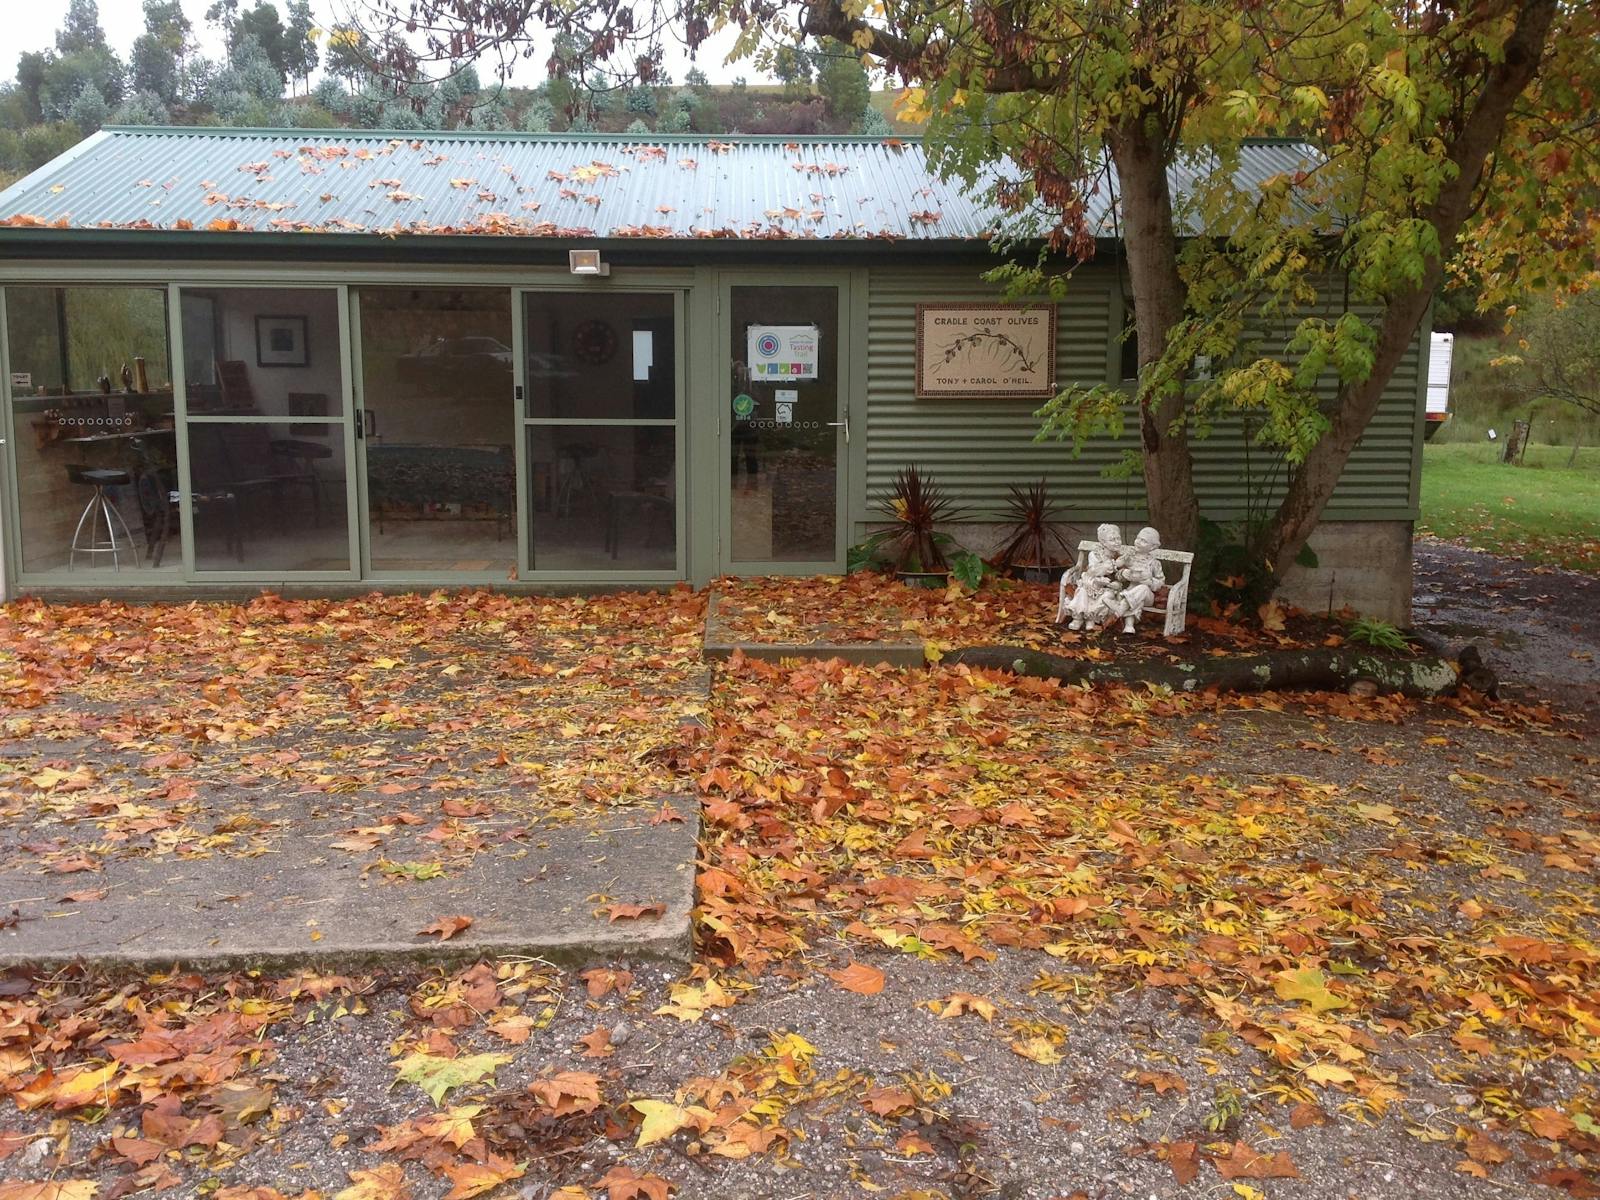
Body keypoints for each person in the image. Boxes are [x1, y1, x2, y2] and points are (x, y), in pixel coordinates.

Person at [1062, 522, 1124, 630]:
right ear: (1103, 542)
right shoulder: (1095, 554)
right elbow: (1092, 571)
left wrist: (1116, 581)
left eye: (1118, 539)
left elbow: (1121, 575)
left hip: (1108, 587)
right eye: (1112, 540)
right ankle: (1078, 618)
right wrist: (1102, 572)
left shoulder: (1121, 557)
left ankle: (1091, 619)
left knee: (1106, 597)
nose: (1117, 542)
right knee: (1083, 591)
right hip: (1091, 582)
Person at [1113, 526, 1166, 632]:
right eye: (1138, 538)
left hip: (1148, 596)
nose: (1138, 542)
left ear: (1152, 547)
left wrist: (1149, 582)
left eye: (1144, 541)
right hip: (1132, 593)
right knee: (1134, 598)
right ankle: (1129, 626)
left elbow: (1161, 581)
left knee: (1142, 588)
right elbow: (1118, 576)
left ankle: (1119, 611)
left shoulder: (1154, 563)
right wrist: (1124, 574)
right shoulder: (1130, 558)